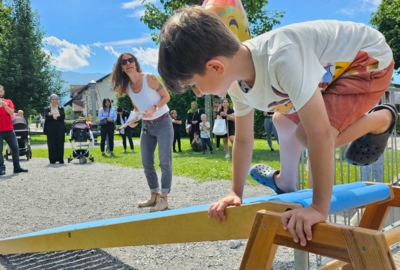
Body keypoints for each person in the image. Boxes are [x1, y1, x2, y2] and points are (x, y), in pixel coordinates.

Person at [158, 7, 397, 247]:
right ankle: (285, 181)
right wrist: (235, 193)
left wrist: (317, 208)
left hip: (366, 61)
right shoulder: (235, 81)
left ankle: (383, 119)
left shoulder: (282, 58)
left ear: (216, 67)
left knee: (307, 135)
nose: (197, 93)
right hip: (330, 70)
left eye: (193, 85)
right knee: (281, 121)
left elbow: (320, 135)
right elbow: (243, 139)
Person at [111, 52, 173, 212]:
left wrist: (154, 108)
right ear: (122, 68)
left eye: (130, 60)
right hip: (147, 126)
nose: (128, 63)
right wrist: (132, 121)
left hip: (163, 123)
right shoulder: (128, 87)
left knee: (164, 162)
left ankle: (164, 199)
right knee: (147, 163)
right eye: (124, 62)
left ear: (135, 62)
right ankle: (154, 195)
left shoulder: (150, 78)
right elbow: (137, 107)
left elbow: (166, 97)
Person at [0, 85, 28, 175]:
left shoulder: (8, 101)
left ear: (3, 92)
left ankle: (17, 166)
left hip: (9, 129)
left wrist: (4, 106)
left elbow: (12, 113)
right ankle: (1, 167)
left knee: (15, 148)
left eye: (1, 91)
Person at [43, 94, 66, 164]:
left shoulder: (61, 108)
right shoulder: (47, 108)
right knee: (51, 143)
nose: (54, 101)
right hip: (50, 128)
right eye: (53, 99)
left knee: (60, 143)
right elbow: (47, 116)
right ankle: (52, 159)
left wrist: (52, 115)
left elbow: (62, 116)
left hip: (60, 128)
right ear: (51, 100)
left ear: (57, 100)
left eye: (56, 99)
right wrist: (56, 115)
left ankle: (60, 158)